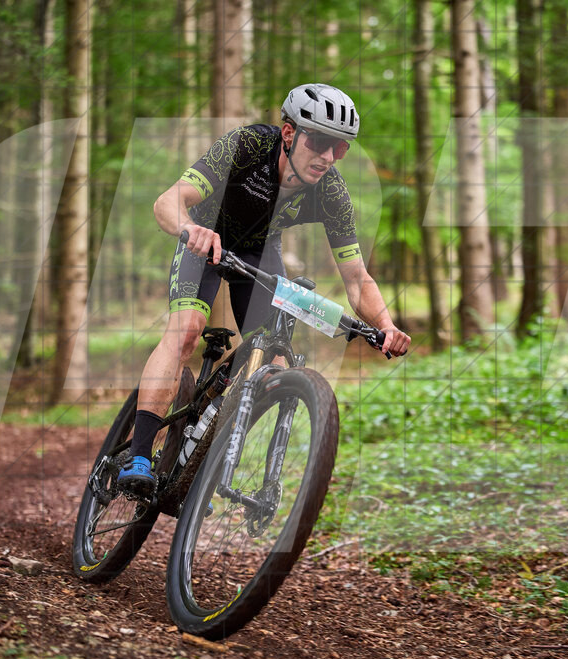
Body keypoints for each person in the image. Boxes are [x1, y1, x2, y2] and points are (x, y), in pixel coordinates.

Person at [117, 83, 412, 498]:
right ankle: (140, 457)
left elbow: (357, 278)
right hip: (207, 238)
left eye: (340, 148)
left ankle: (208, 451)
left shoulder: (331, 193)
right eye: (320, 141)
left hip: (258, 253)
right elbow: (169, 200)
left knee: (270, 359)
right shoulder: (248, 145)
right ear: (289, 134)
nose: (328, 157)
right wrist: (190, 228)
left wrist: (386, 326)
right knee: (186, 331)